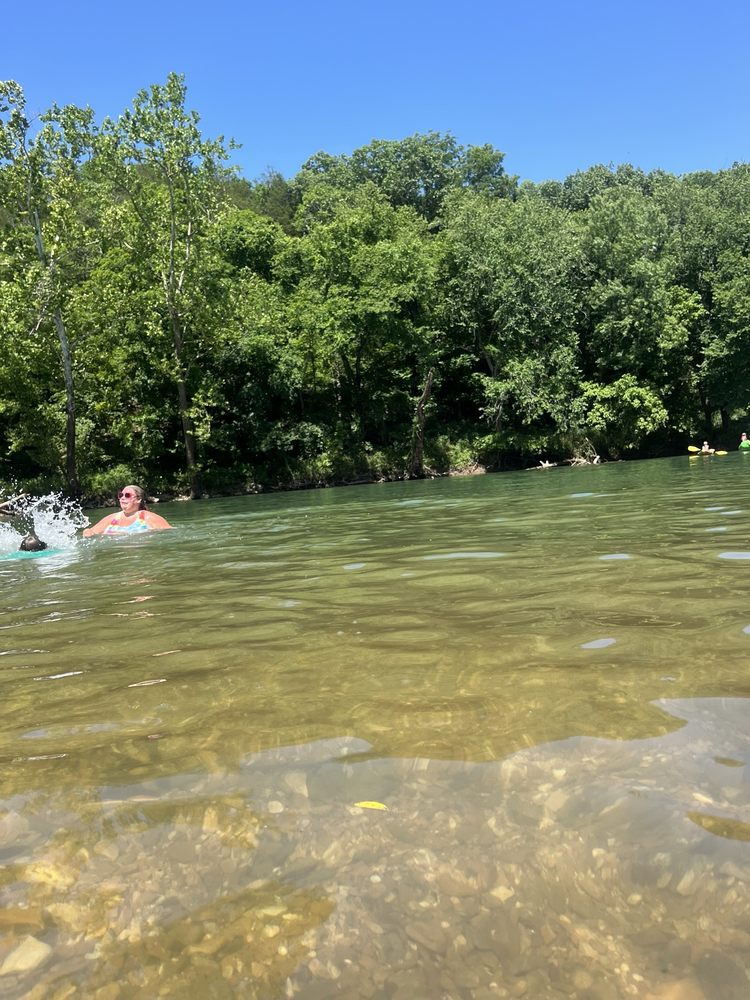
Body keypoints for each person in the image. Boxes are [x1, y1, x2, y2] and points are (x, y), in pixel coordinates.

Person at [82, 485, 172, 537]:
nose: (123, 498)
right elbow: (91, 531)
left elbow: (170, 533)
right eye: (121, 495)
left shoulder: (147, 517)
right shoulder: (112, 519)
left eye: (127, 495)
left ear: (138, 499)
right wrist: (87, 533)